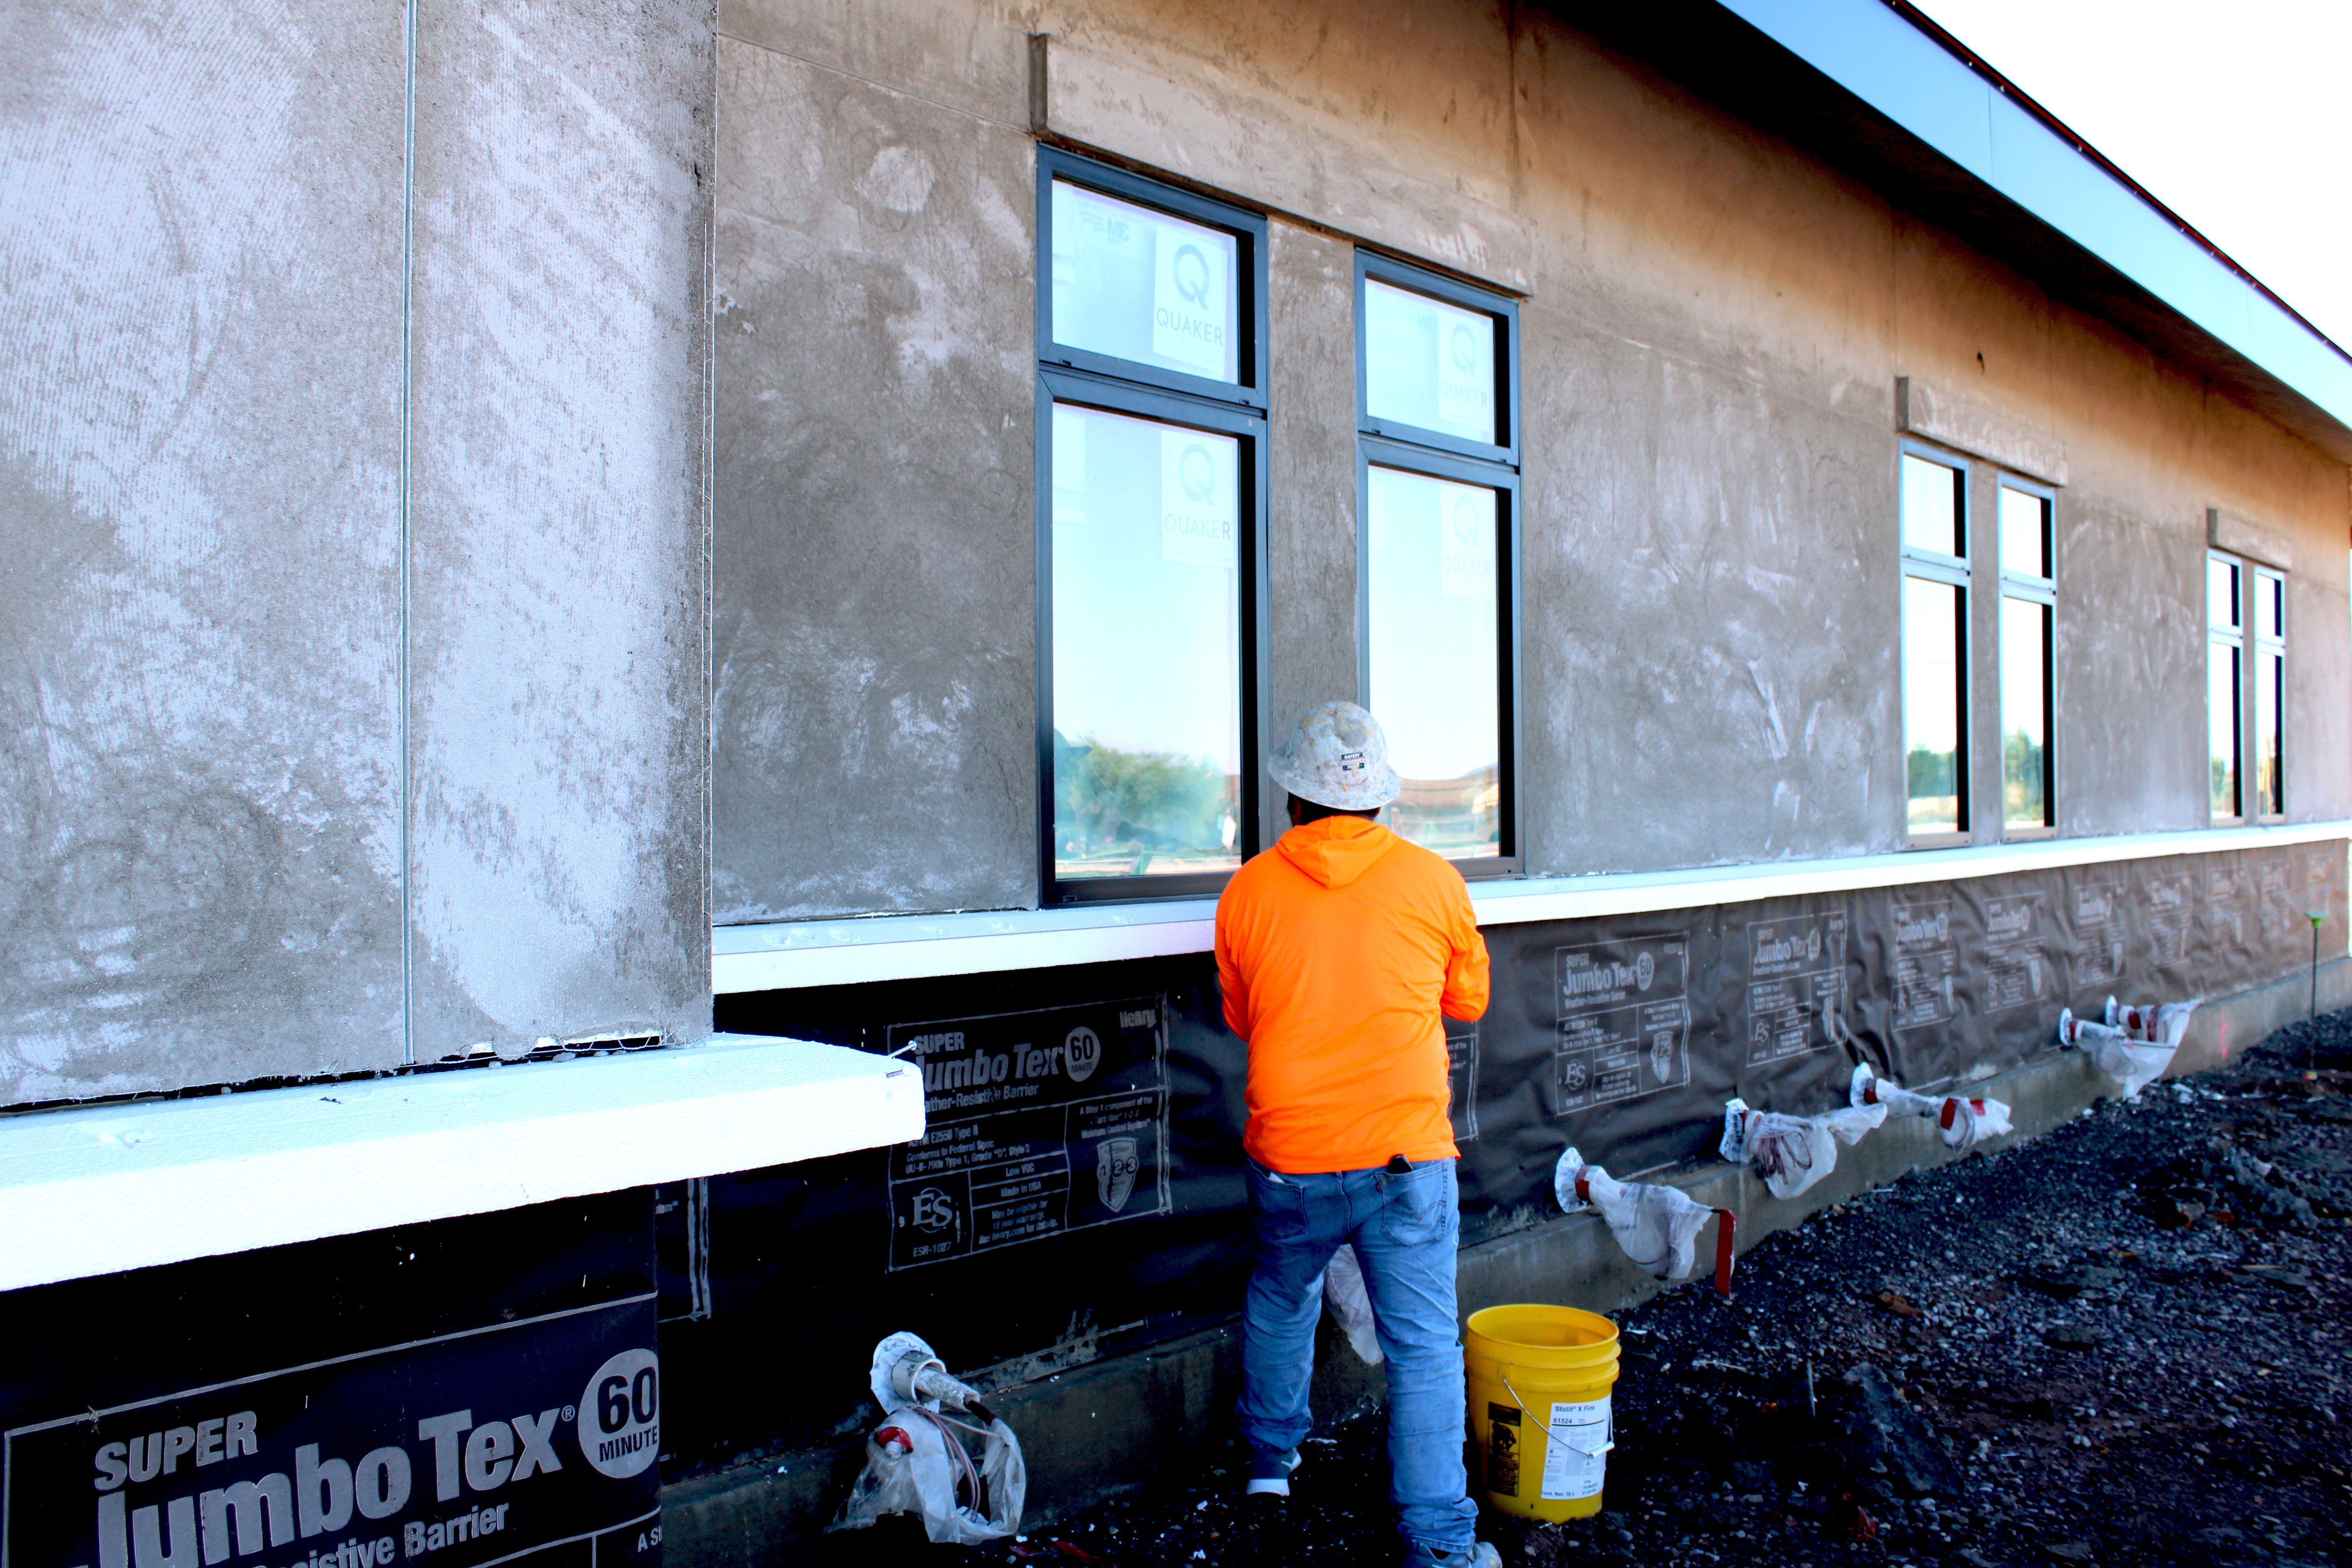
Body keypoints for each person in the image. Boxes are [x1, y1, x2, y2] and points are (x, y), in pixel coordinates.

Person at [1214, 701, 1499, 1568]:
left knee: (1280, 1298)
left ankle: (1271, 1465)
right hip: (1406, 1158)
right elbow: (1470, 1000)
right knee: (1423, 1348)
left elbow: (1241, 1015)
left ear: (1291, 797)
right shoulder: (1432, 880)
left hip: (1291, 1156)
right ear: (1379, 798)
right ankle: (1442, 1545)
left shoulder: (1248, 889)